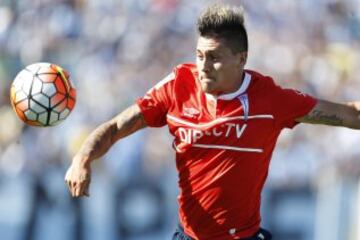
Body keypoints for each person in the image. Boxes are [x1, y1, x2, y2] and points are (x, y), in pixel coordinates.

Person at [65, 4, 360, 240]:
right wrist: (83, 157)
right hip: (187, 236)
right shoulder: (177, 85)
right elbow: (116, 126)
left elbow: (351, 115)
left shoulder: (270, 99)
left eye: (214, 57)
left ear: (241, 59)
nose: (203, 67)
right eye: (199, 56)